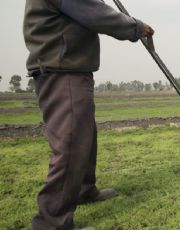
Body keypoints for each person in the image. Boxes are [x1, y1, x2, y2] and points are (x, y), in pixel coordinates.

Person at [23, 0, 154, 229]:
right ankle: (51, 223)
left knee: (84, 137)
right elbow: (95, 13)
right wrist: (136, 27)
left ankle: (84, 190)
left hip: (70, 68)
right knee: (72, 145)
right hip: (61, 70)